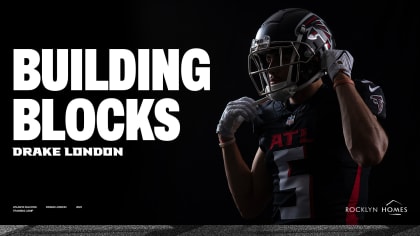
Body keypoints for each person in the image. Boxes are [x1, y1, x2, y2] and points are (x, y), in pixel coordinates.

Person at [216, 8, 388, 224]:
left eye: (282, 54)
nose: (270, 67)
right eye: (268, 57)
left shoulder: (347, 98)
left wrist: (342, 79)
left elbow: (371, 154)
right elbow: (250, 204)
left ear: (312, 55)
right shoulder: (270, 114)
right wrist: (227, 140)